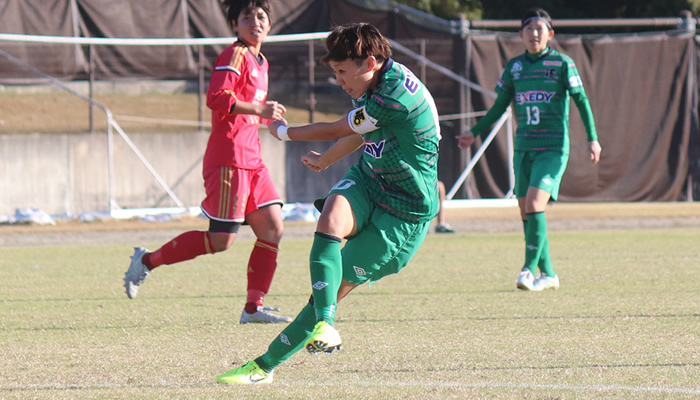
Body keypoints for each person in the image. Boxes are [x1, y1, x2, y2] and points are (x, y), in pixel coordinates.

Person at [216, 22, 441, 384]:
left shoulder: (395, 94)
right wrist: (327, 161)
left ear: (369, 62)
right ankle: (327, 325)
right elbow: (359, 131)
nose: (338, 81)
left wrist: (284, 132)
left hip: (404, 211)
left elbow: (341, 127)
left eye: (341, 72)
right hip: (371, 181)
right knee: (330, 219)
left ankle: (264, 366)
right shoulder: (372, 80)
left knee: (331, 291)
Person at [123, 0, 292, 324]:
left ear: (269, 23)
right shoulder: (235, 54)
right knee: (221, 240)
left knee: (272, 227)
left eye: (261, 16)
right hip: (229, 158)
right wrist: (259, 111)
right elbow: (216, 98)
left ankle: (253, 309)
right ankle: (146, 261)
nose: (255, 22)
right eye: (246, 17)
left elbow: (248, 110)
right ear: (234, 25)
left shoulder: (261, 62)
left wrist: (267, 120)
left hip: (252, 158)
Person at [458, 8, 601, 292]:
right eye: (529, 28)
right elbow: (499, 106)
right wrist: (474, 132)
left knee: (535, 205)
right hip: (524, 148)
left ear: (550, 34)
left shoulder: (562, 64)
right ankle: (548, 274)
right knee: (526, 211)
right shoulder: (514, 67)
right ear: (521, 34)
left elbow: (581, 100)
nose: (534, 33)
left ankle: (527, 270)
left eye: (540, 28)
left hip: (552, 148)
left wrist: (592, 138)